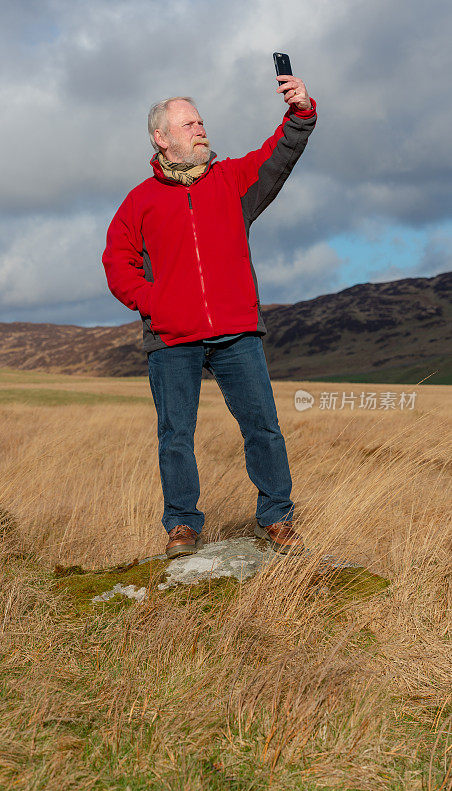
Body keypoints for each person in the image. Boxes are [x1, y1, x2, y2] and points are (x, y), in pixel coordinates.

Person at [102, 73, 317, 559]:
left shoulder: (233, 180)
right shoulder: (140, 201)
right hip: (172, 338)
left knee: (262, 425)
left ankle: (277, 518)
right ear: (162, 138)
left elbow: (279, 155)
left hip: (236, 332)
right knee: (175, 435)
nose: (201, 129)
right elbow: (118, 262)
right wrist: (155, 304)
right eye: (188, 124)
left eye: (200, 121)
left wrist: (300, 113)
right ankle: (181, 526)